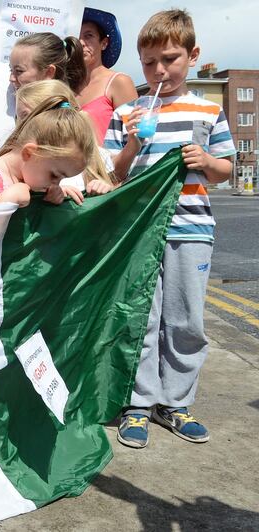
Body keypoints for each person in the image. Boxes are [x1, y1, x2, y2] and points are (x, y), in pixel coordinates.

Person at [106, 9, 235, 449]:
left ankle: (175, 402)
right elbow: (112, 175)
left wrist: (208, 163)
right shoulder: (127, 113)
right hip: (138, 233)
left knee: (185, 319)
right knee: (141, 319)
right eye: (149, 63)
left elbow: (224, 170)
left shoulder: (209, 109)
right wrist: (132, 145)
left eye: (170, 59)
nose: (159, 70)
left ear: (193, 55)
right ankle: (138, 404)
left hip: (191, 230)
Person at [0, 94, 107, 207]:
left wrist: (51, 198)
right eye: (54, 175)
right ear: (29, 153)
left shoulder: (32, 174)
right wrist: (8, 200)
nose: (56, 184)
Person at [14, 80, 114, 203]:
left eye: (25, 116)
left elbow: (116, 199)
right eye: (18, 117)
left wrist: (103, 190)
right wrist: (47, 196)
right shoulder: (22, 161)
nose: (19, 124)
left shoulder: (90, 155)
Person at [76, 7, 138, 144]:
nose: (80, 42)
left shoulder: (119, 82)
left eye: (88, 36)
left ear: (104, 43)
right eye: (76, 37)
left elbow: (134, 138)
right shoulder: (67, 87)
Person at [8, 32, 86, 93]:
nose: (11, 79)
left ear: (49, 72)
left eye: (19, 71)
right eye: (11, 70)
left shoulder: (59, 113)